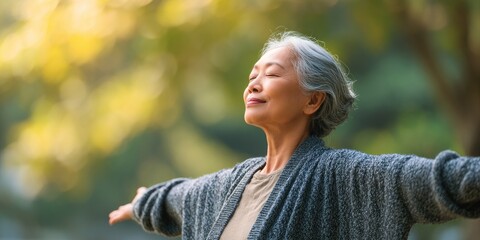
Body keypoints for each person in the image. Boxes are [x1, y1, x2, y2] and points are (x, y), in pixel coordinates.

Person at [109, 31, 480, 239]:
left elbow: (433, 181)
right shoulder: (228, 188)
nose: (254, 83)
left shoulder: (343, 176)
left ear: (313, 100)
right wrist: (143, 202)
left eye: (270, 74)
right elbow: (179, 197)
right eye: (253, 75)